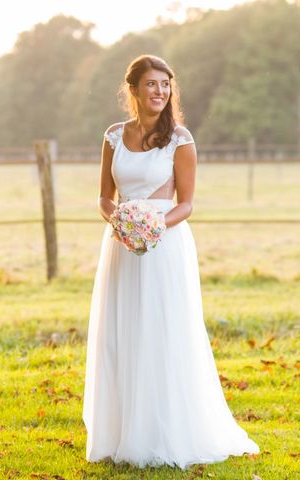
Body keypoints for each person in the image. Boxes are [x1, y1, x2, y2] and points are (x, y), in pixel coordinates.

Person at [81, 54, 260, 469]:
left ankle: (165, 431)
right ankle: (121, 434)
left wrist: (153, 226)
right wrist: (121, 222)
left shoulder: (180, 139)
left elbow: (187, 204)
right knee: (121, 332)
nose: (159, 91)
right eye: (151, 84)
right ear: (134, 90)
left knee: (162, 331)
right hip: (122, 246)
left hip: (166, 245)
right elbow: (104, 197)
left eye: (165, 84)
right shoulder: (112, 136)